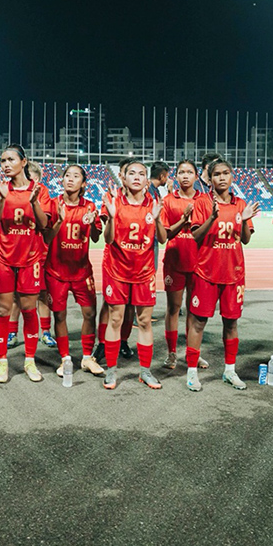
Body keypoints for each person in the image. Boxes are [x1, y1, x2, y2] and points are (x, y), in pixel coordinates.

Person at [185, 159, 259, 392]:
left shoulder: (240, 204)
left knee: (231, 323)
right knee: (198, 322)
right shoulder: (202, 202)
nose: (222, 178)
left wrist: (245, 218)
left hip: (233, 274)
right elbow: (195, 236)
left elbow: (245, 239)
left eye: (226, 173)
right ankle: (191, 373)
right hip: (206, 272)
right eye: (217, 174)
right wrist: (212, 218)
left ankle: (229, 370)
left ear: (232, 176)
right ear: (210, 178)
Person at [99, 158, 166, 390]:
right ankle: (111, 370)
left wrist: (157, 220)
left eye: (141, 174)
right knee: (116, 319)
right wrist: (111, 218)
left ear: (147, 180)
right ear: (124, 178)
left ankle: (145, 372)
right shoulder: (113, 201)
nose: (136, 177)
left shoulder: (154, 203)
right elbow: (107, 239)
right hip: (117, 270)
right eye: (132, 173)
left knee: (145, 320)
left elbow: (163, 238)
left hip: (144, 271)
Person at [0, 145, 51, 383]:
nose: (5, 164)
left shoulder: (40, 190)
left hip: (31, 259)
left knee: (28, 309)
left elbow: (44, 224)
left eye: (10, 159)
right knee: (3, 310)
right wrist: (3, 199)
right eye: (2, 160)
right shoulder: (0, 189)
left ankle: (29, 361)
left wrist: (34, 202)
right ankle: (2, 361)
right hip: (4, 258)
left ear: (23, 162)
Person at [43, 164, 104, 377]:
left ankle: (87, 357)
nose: (70, 179)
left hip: (82, 271)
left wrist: (95, 223)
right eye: (67, 175)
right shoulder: (52, 204)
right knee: (59, 316)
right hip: (56, 272)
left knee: (90, 313)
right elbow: (46, 237)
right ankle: (65, 359)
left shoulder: (90, 206)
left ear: (83, 183)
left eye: (75, 176)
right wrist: (57, 221)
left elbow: (96, 237)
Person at [159, 159, 206, 369]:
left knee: (194, 311)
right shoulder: (168, 201)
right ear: (175, 177)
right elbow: (166, 234)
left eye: (189, 172)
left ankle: (192, 352)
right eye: (181, 172)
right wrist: (184, 220)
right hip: (175, 260)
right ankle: (171, 353)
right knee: (173, 308)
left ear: (196, 176)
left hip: (200, 262)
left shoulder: (205, 200)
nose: (185, 176)